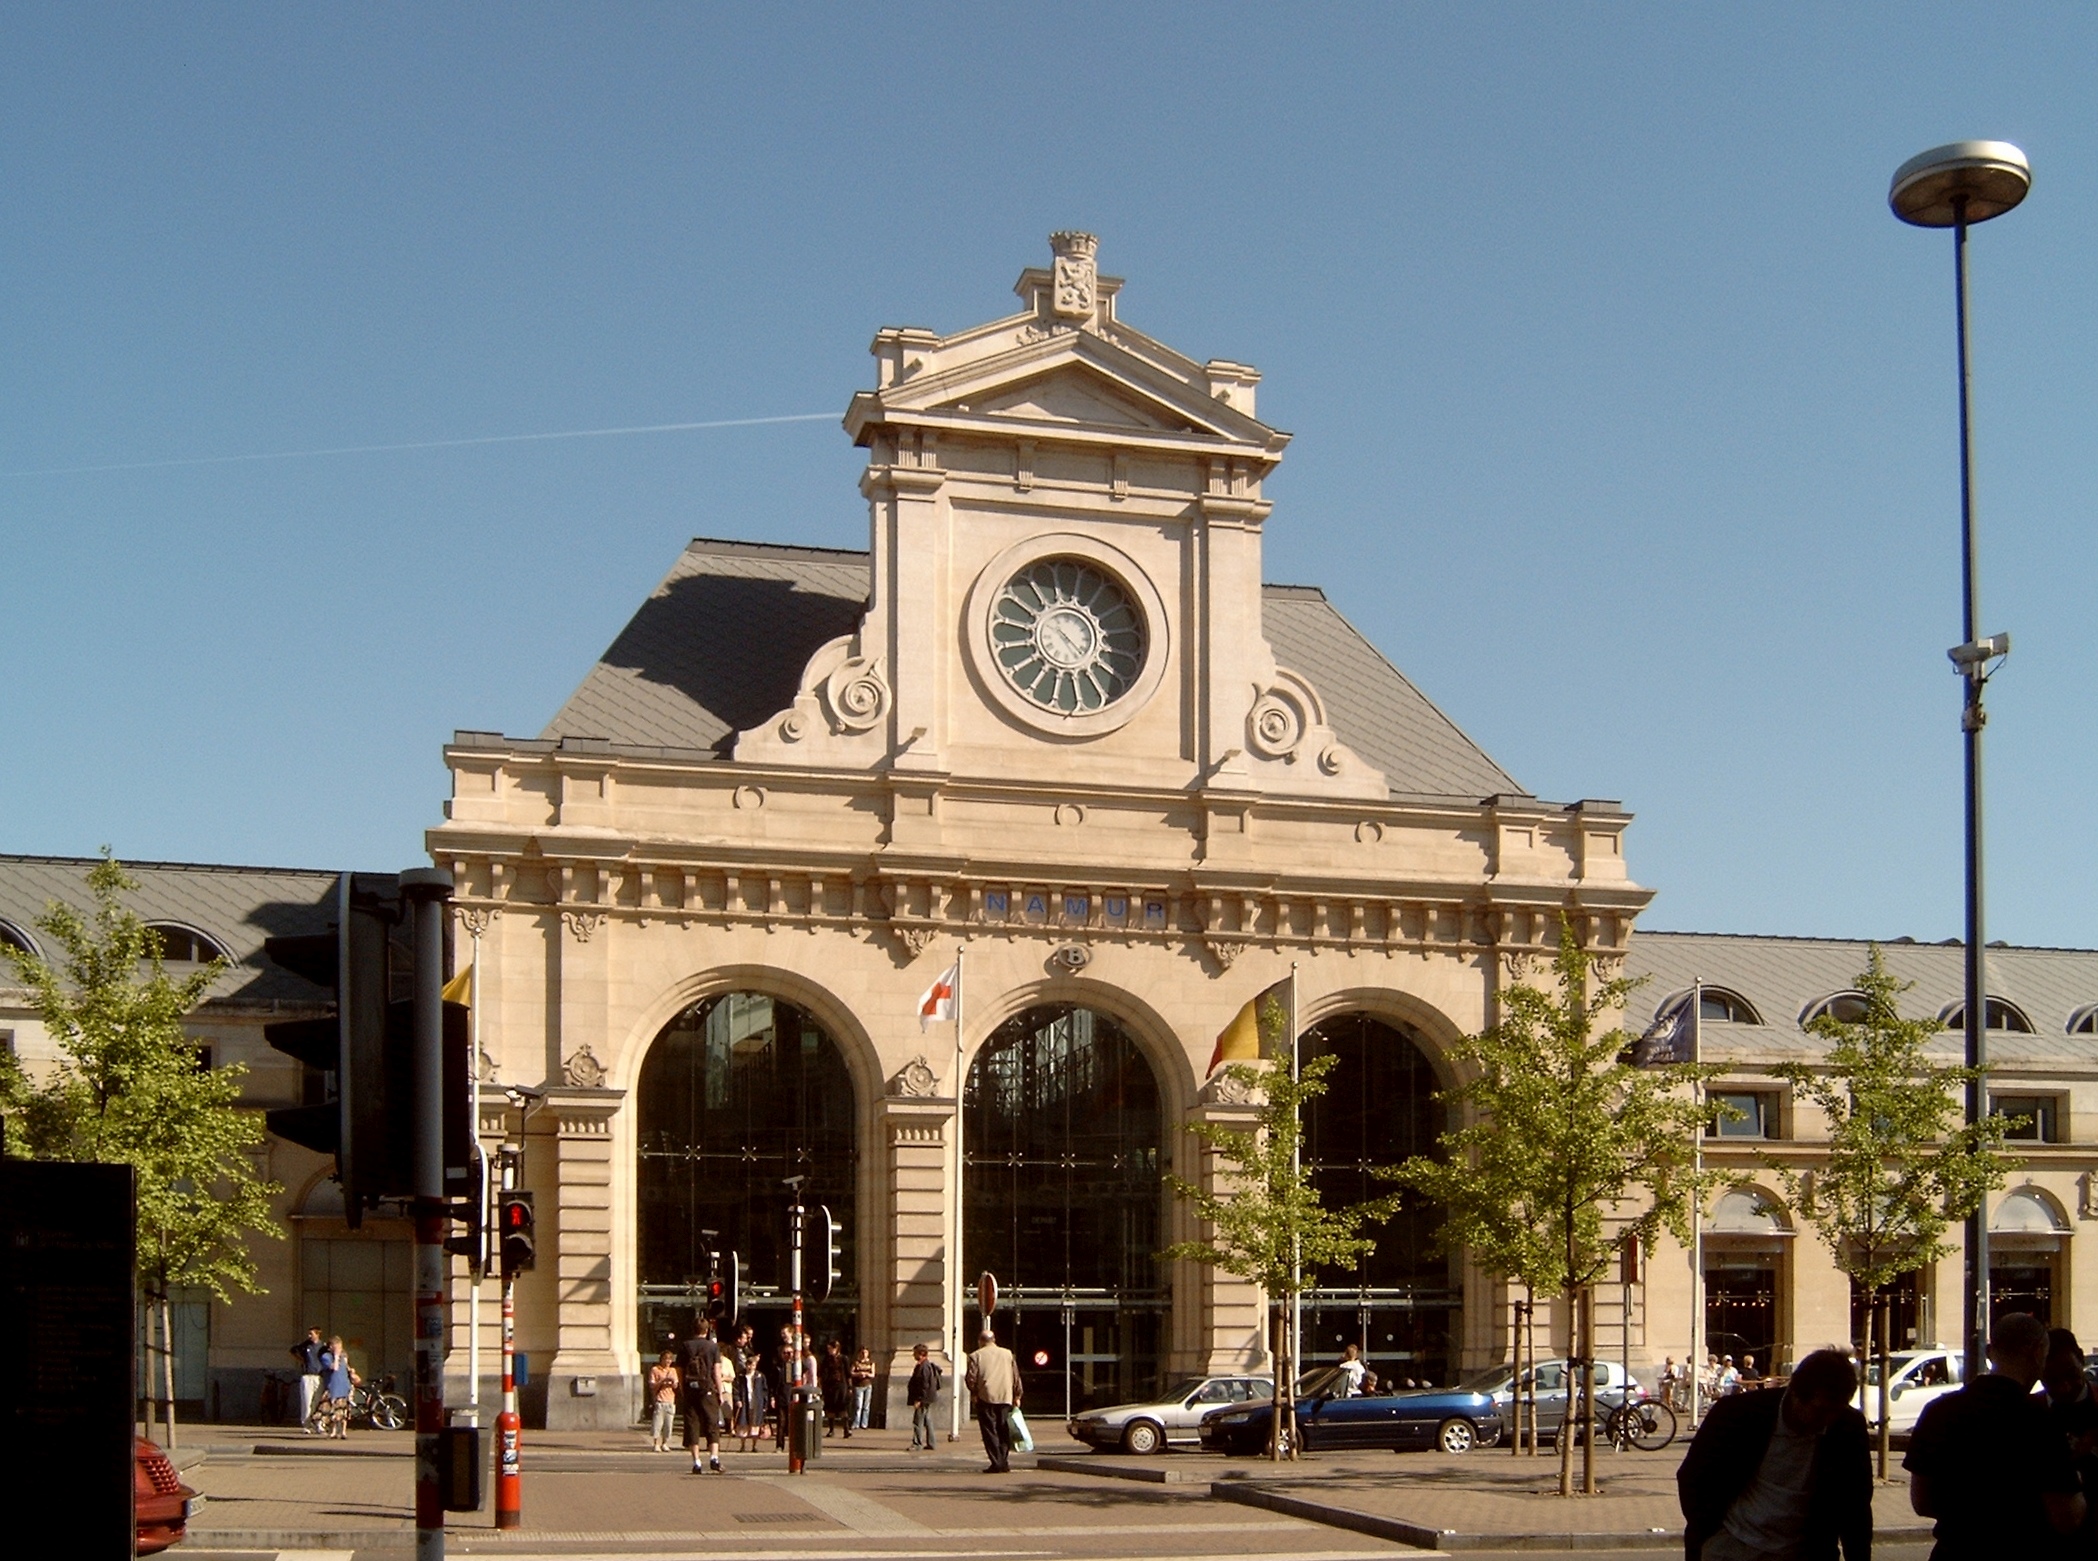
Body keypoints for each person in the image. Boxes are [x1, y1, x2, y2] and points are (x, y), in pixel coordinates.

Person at [1906, 1311, 2084, 1559]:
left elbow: (1922, 1502)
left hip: (1955, 1549)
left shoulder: (1938, 1411)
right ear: (2038, 1351)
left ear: (1991, 1351)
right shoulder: (2039, 1420)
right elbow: (2067, 1518)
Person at [1677, 1346, 1872, 1561]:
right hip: (1731, 1546)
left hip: (1803, 1552)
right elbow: (1692, 1477)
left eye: (1837, 1410)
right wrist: (1709, 1532)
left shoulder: (1847, 1427)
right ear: (1796, 1394)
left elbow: (1856, 1504)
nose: (1828, 1419)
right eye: (1821, 1410)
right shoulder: (1737, 1415)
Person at [2043, 1328, 2098, 1558]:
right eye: (2052, 1380)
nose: (2063, 1387)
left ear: (2081, 1357)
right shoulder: (2028, 1412)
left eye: (2072, 1375)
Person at [966, 1323, 1021, 1474]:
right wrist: (1017, 1394)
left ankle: (996, 1462)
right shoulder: (1008, 1354)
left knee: (989, 1431)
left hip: (986, 1396)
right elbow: (1015, 1376)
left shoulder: (975, 1355)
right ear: (994, 1340)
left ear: (980, 1341)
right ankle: (1003, 1460)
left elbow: (971, 1378)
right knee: (1003, 1429)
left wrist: (974, 1393)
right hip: (1005, 1396)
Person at [679, 1319, 725, 1474]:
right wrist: (720, 1391)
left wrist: (682, 1389)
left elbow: (679, 1370)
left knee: (692, 1424)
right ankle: (714, 1458)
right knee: (712, 1423)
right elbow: (716, 1372)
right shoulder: (712, 1347)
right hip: (708, 1389)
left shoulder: (685, 1346)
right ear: (707, 1331)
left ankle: (696, 1462)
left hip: (690, 1389)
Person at [316, 1335, 356, 1440]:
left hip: (344, 1385)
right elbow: (334, 1368)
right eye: (336, 1346)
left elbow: (346, 1367)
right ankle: (333, 1431)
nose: (339, 1349)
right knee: (332, 1411)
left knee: (343, 1410)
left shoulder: (344, 1356)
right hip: (333, 1387)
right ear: (331, 1347)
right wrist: (336, 1356)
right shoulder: (326, 1357)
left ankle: (343, 1431)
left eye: (340, 1346)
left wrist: (351, 1372)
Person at [290, 1326, 327, 1433]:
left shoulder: (323, 1347)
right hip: (307, 1375)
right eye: (309, 1334)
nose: (309, 1336)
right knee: (307, 1401)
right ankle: (306, 1424)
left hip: (318, 1376)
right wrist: (301, 1360)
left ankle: (318, 1423)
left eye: (312, 1334)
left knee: (317, 1401)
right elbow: (293, 1351)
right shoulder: (305, 1345)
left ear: (317, 1334)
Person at [907, 1343, 942, 1451]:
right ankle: (932, 1443)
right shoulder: (923, 1365)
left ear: (921, 1354)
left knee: (918, 1421)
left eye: (915, 1353)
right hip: (927, 1397)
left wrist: (919, 1399)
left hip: (924, 1398)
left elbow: (924, 1385)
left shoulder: (924, 1367)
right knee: (927, 1420)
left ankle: (917, 1443)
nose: (913, 1355)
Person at [648, 1349, 681, 1452]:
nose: (667, 1361)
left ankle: (665, 1443)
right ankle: (656, 1443)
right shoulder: (655, 1369)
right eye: (665, 1359)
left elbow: (675, 1385)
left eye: (669, 1359)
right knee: (657, 1423)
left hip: (670, 1400)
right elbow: (652, 1385)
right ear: (661, 1359)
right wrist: (662, 1381)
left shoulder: (672, 1371)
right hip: (660, 1399)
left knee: (668, 1424)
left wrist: (672, 1382)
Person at [820, 1338, 851, 1438]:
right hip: (830, 1386)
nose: (829, 1351)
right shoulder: (827, 1359)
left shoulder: (843, 1359)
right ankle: (831, 1429)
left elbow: (848, 1374)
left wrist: (850, 1387)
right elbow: (822, 1373)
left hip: (841, 1385)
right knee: (830, 1408)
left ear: (836, 1348)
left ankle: (846, 1429)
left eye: (830, 1349)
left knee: (842, 1407)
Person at [851, 1346, 877, 1431]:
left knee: (866, 1406)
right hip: (858, 1385)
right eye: (862, 1353)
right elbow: (851, 1372)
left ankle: (864, 1424)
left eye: (865, 1353)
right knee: (858, 1405)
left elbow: (873, 1374)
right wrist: (859, 1374)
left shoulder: (871, 1363)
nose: (864, 1354)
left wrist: (866, 1374)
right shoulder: (856, 1362)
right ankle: (856, 1423)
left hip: (868, 1385)